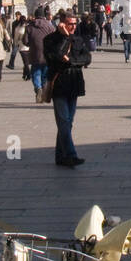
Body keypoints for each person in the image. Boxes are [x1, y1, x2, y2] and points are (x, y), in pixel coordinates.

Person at [43, 9, 91, 167]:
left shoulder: (78, 39)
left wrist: (70, 61)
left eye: (75, 24)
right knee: (63, 121)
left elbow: (87, 58)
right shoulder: (50, 39)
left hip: (74, 83)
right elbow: (54, 57)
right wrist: (65, 37)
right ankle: (71, 154)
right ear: (61, 24)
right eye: (70, 24)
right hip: (59, 84)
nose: (73, 27)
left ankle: (60, 156)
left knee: (68, 122)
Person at [24, 7, 55, 101]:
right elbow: (55, 39)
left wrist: (31, 44)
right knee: (45, 74)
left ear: (35, 15)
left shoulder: (29, 26)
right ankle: (43, 88)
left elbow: (25, 41)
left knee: (36, 72)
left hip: (35, 53)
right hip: (47, 54)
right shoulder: (50, 26)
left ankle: (38, 88)